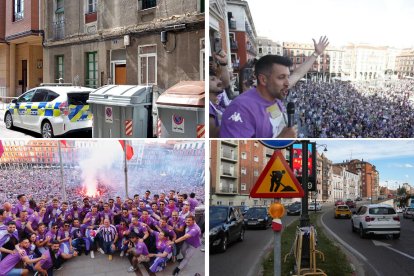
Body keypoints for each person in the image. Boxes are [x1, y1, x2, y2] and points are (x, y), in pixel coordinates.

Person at [220, 36, 329, 138]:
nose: (287, 83)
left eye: (287, 76)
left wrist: (316, 54)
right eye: (281, 77)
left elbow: (297, 74)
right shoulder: (241, 109)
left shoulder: (274, 92)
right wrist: (282, 139)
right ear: (263, 80)